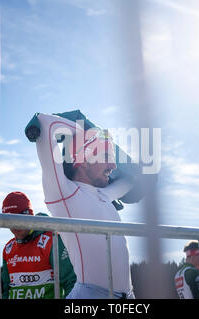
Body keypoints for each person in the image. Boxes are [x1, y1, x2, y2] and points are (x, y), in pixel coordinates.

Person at [29, 112, 136, 298]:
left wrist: (99, 138)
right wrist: (83, 129)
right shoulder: (64, 193)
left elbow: (133, 180)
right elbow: (46, 124)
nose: (113, 165)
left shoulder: (105, 194)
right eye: (106, 156)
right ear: (84, 160)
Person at [1, 191, 76, 299]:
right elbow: (5, 290)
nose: (14, 227)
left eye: (18, 220)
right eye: (9, 222)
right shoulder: (8, 248)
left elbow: (71, 282)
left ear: (29, 215)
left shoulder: (51, 240)